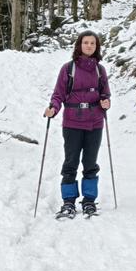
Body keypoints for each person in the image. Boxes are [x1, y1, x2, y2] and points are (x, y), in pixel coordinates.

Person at [43, 30, 111, 217]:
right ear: (79, 45)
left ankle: (89, 201)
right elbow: (58, 95)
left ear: (96, 47)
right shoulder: (68, 69)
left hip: (95, 123)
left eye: (92, 43)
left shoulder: (100, 70)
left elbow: (105, 94)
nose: (89, 46)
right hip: (72, 123)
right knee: (70, 163)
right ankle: (68, 202)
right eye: (86, 42)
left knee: (90, 163)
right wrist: (53, 109)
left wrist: (106, 102)